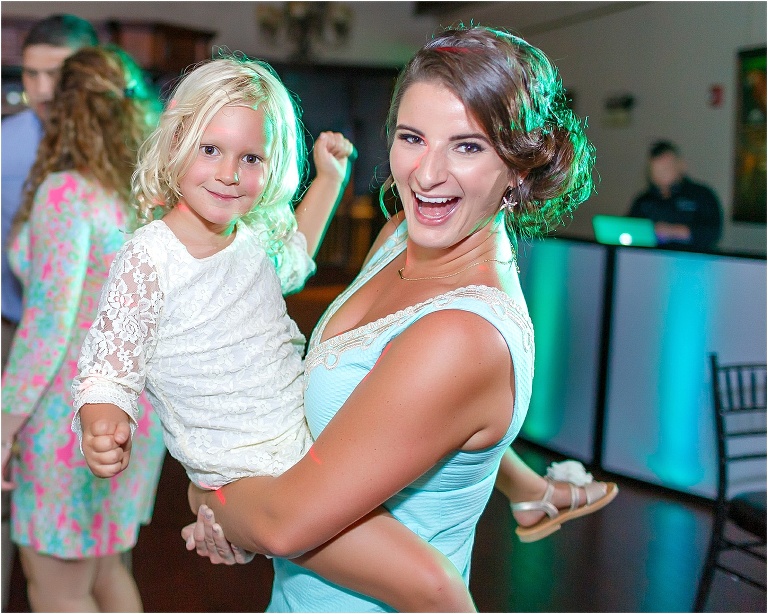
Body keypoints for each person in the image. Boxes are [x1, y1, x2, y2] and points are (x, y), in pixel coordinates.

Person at [182, 25, 613, 612]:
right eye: (413, 138)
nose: (427, 174)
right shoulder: (397, 237)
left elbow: (284, 524)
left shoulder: (462, 334)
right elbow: (396, 422)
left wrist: (207, 492)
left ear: (518, 167)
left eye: (467, 146)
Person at [70, 56, 477, 612]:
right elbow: (108, 365)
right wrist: (102, 420)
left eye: (251, 158)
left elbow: (297, 256)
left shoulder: (249, 240)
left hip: (307, 448)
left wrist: (329, 179)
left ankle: (529, 490)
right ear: (175, 144)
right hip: (249, 472)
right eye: (210, 149)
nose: (229, 173)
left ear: (272, 165)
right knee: (436, 589)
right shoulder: (150, 256)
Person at [0, 46, 168, 612]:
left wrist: (3, 427)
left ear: (67, 112)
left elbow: (48, 326)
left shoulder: (68, 193)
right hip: (131, 413)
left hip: (66, 420)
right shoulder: (146, 198)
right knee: (105, 575)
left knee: (57, 592)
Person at [1, 19, 96, 606]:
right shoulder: (7, 143)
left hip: (81, 361)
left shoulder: (111, 155)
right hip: (12, 332)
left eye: (54, 75)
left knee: (85, 552)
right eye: (29, 74)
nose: (40, 89)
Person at [628, 140, 723, 249]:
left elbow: (712, 232)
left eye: (667, 167)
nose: (662, 173)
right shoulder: (643, 201)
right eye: (657, 169)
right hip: (650, 256)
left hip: (691, 257)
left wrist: (672, 231)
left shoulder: (702, 195)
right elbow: (629, 231)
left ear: (681, 165)